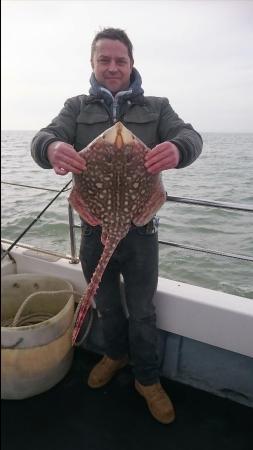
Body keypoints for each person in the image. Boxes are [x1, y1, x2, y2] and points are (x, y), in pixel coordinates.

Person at [31, 27, 203, 424]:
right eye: (104, 60)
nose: (112, 67)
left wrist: (178, 149)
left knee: (142, 310)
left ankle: (147, 378)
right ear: (92, 64)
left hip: (141, 231)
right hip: (94, 227)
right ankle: (114, 354)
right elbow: (44, 137)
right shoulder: (76, 108)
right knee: (105, 303)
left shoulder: (157, 108)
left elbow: (190, 136)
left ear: (131, 63)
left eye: (120, 60)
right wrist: (52, 148)